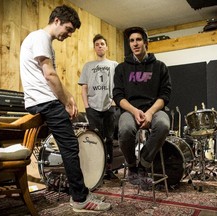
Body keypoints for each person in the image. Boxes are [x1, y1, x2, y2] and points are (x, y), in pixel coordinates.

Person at [19, 5, 111, 212]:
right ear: (57, 20)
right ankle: (80, 199)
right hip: (45, 101)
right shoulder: (41, 37)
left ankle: (81, 191)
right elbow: (50, 75)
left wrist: (68, 97)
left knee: (69, 144)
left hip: (43, 100)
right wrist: (66, 101)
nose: (68, 35)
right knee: (70, 147)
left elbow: (52, 77)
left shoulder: (39, 39)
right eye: (68, 29)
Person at [113, 26, 172, 190]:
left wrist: (150, 113)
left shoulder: (160, 66)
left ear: (146, 42)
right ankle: (132, 166)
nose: (135, 43)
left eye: (138, 39)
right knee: (125, 129)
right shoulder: (121, 68)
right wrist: (134, 111)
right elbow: (118, 96)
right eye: (131, 40)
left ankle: (144, 165)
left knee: (164, 125)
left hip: (155, 110)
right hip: (130, 111)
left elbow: (165, 95)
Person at [78, 34, 118, 180]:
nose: (100, 46)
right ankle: (96, 170)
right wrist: (87, 107)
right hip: (93, 108)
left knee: (108, 138)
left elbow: (119, 86)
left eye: (102, 43)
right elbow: (84, 88)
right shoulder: (88, 66)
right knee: (96, 139)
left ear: (106, 47)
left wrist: (115, 102)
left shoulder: (114, 65)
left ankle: (108, 169)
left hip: (109, 106)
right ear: (94, 48)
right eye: (97, 44)